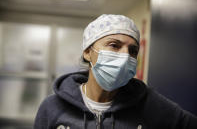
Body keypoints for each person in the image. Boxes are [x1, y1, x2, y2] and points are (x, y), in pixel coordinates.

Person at [34, 14, 197, 129]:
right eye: (114, 45)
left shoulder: (148, 103)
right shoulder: (53, 107)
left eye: (133, 50)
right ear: (87, 52)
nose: (126, 56)